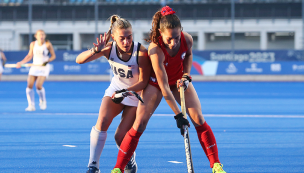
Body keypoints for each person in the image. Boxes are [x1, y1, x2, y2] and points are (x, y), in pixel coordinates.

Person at [111, 6, 226, 173]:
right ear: (160, 34)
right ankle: (118, 168)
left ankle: (216, 165)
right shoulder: (155, 49)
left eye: (177, 38)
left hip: (178, 81)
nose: (174, 43)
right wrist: (178, 115)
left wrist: (186, 75)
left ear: (181, 33)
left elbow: (188, 55)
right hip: (156, 84)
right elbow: (164, 87)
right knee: (139, 124)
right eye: (169, 39)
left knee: (199, 119)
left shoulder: (187, 40)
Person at [76, 15, 151, 173]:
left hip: (134, 95)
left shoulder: (141, 52)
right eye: (122, 38)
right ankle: (93, 166)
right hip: (116, 90)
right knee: (102, 122)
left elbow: (143, 82)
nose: (126, 42)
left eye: (129, 37)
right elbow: (79, 60)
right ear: (114, 38)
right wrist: (94, 51)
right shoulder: (109, 49)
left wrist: (125, 92)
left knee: (119, 137)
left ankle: (129, 160)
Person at [16, 30, 56, 111]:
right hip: (34, 66)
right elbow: (29, 55)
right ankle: (31, 105)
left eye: (43, 34)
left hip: (43, 67)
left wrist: (47, 61)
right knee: (29, 86)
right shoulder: (33, 44)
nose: (41, 36)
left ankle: (43, 101)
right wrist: (21, 62)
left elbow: (53, 56)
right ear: (36, 36)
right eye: (40, 34)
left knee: (38, 86)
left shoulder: (47, 44)